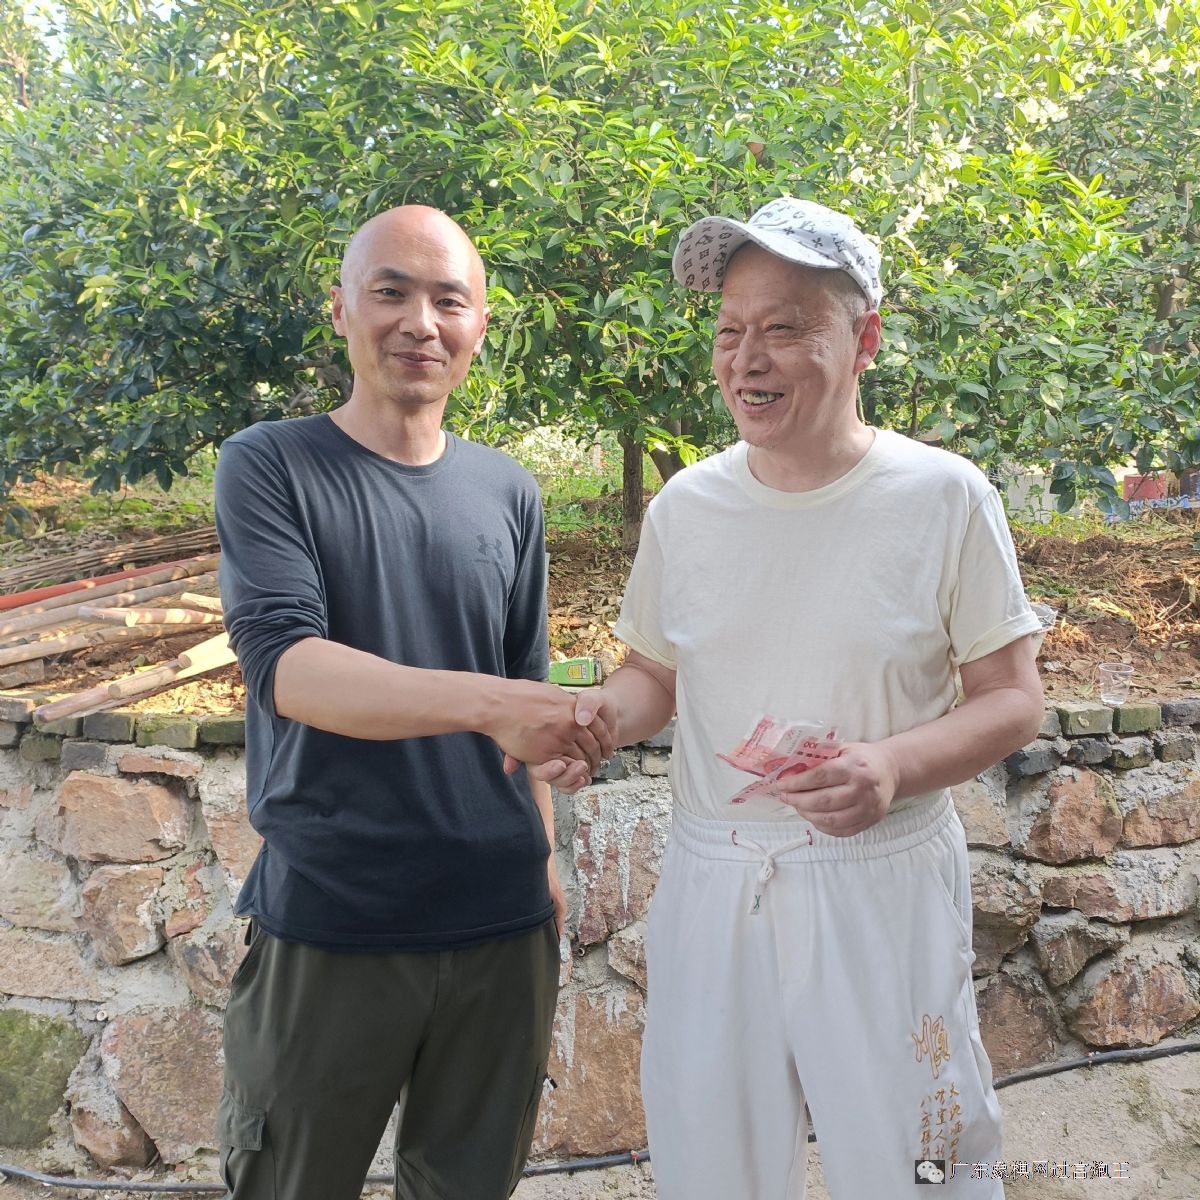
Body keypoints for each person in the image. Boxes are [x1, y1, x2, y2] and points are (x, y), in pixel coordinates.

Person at [531, 197, 1045, 1197]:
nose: (746, 358)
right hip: (714, 876)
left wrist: (889, 767)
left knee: (916, 1163)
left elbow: (1011, 697)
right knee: (709, 1161)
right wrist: (598, 723)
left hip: (882, 880)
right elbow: (655, 678)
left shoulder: (944, 497)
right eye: (730, 330)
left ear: (864, 341)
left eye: (783, 327)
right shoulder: (688, 508)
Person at [213, 204, 611, 1200]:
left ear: (480, 325)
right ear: (341, 309)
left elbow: (526, 679)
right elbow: (289, 671)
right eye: (391, 292)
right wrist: (492, 706)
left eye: (449, 300)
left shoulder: (509, 491)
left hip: (502, 922)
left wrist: (544, 853)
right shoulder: (270, 463)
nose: (420, 323)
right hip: (335, 918)